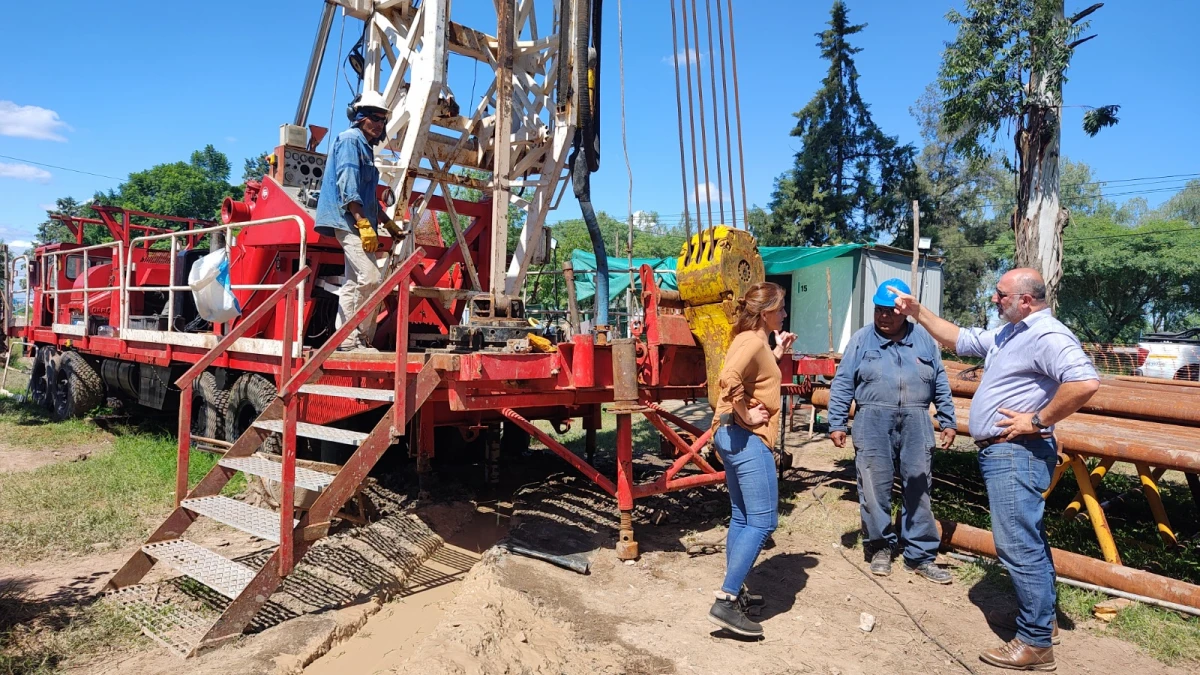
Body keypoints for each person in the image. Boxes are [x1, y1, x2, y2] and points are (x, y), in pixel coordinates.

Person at [889, 269, 1099, 671]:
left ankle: (1036, 643)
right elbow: (960, 339)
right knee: (1027, 538)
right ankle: (1042, 620)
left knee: (1016, 544)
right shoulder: (1010, 333)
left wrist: (1037, 420)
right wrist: (918, 312)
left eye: (1000, 294)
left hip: (1017, 450)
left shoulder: (1047, 335)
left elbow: (1085, 382)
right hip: (1006, 452)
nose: (993, 299)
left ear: (1026, 300)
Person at [827, 279, 957, 584]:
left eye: (891, 312)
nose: (884, 317)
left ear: (905, 313)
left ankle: (920, 555)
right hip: (872, 421)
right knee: (873, 488)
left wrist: (948, 421)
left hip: (916, 421)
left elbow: (940, 382)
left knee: (919, 488)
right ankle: (880, 547)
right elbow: (844, 382)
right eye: (879, 310)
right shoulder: (861, 340)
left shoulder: (924, 340)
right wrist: (836, 423)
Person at [706, 281, 796, 638]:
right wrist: (745, 413)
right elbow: (728, 378)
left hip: (731, 436)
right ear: (765, 312)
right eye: (782, 308)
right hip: (745, 437)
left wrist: (777, 353)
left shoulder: (756, 342)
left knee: (743, 517)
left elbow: (754, 375)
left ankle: (736, 587)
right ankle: (726, 601)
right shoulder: (750, 341)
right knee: (763, 522)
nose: (786, 314)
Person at [315, 90, 404, 352]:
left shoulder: (364, 147)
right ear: (359, 117)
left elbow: (367, 197)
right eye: (374, 117)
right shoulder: (350, 140)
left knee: (354, 283)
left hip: (358, 220)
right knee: (371, 279)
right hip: (348, 221)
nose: (379, 124)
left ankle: (349, 341)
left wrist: (387, 223)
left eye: (382, 119)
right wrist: (363, 223)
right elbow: (348, 184)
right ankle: (353, 339)